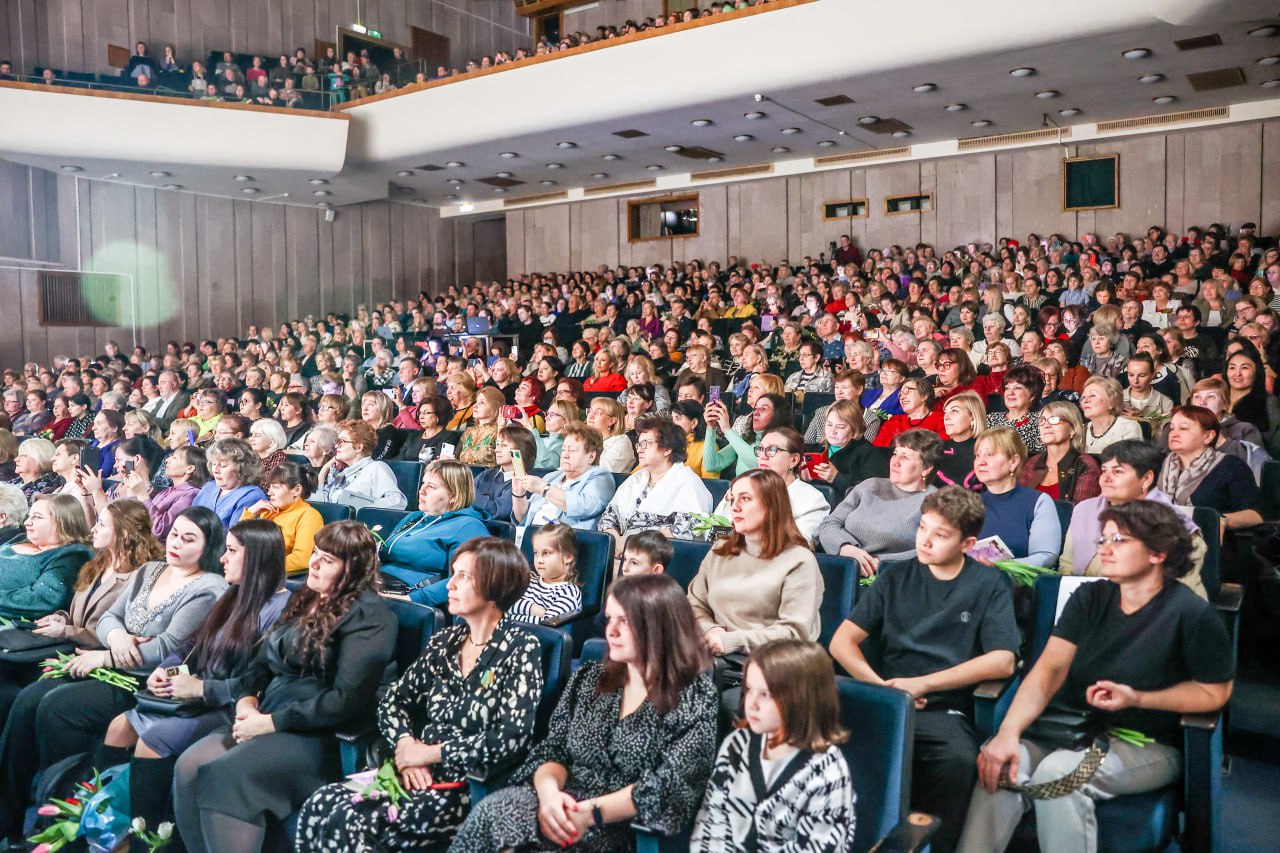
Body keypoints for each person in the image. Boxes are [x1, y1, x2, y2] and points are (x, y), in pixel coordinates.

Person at [960, 501, 1234, 853]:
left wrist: (1138, 698)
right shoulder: (1090, 596)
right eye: (1102, 540)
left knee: (1058, 772)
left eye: (1118, 540)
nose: (1103, 549)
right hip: (1068, 726)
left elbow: (1214, 693)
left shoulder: (1190, 614)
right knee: (997, 766)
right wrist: (1008, 732)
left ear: (1158, 552)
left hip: (1144, 741)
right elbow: (1048, 670)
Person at [296, 537, 543, 850]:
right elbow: (393, 701)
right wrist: (406, 747)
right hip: (412, 770)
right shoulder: (446, 641)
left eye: (463, 576)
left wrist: (430, 753)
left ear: (496, 586)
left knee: (355, 821)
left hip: (469, 785)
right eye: (452, 573)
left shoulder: (521, 648)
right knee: (321, 803)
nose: (450, 584)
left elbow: (511, 738)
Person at [0, 507, 226, 838]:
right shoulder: (151, 569)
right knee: (29, 698)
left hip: (143, 681)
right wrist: (118, 637)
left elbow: (164, 649)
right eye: (175, 533)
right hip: (110, 658)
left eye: (189, 538)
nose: (176, 543)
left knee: (57, 707)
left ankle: (65, 821)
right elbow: (109, 619)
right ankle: (9, 815)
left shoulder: (208, 587)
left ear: (208, 547)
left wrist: (106, 658)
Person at [450, 574, 717, 853]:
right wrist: (549, 795)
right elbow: (554, 749)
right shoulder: (590, 679)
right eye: (610, 620)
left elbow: (669, 787)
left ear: (659, 627)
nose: (610, 632)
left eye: (624, 622)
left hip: (623, 821)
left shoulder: (694, 696)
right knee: (492, 813)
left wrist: (590, 813)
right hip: (562, 800)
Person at [172, 522, 395, 853]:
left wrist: (270, 722)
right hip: (269, 715)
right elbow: (259, 664)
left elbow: (346, 700)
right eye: (315, 554)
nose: (314, 563)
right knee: (188, 767)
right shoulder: (306, 597)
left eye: (328, 560)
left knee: (224, 775)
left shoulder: (370, 615)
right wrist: (246, 704)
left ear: (353, 570)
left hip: (319, 734)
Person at [831, 486, 1018, 853]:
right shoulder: (895, 576)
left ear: (967, 543)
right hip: (886, 696)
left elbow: (1003, 659)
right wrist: (884, 689)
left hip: (944, 709)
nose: (926, 541)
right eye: (923, 529)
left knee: (957, 761)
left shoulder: (989, 583)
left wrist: (922, 684)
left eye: (941, 535)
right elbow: (842, 643)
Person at [99, 519, 290, 835]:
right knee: (118, 728)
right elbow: (193, 647)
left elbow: (258, 681)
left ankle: (145, 835)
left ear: (255, 558)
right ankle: (107, 825)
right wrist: (167, 670)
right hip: (198, 694)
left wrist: (202, 688)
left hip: (229, 707)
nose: (222, 558)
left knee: (151, 742)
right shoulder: (233, 595)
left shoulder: (281, 609)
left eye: (231, 551)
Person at [0, 499, 161, 725]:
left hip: (88, 654)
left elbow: (120, 632)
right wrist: (61, 617)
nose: (93, 528)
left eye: (102, 525)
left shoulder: (138, 578)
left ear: (124, 534)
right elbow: (75, 609)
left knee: (32, 699)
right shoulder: (99, 564)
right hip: (64, 643)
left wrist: (67, 630)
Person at [690, 639, 854, 852]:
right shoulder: (738, 743)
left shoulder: (827, 772)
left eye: (765, 694)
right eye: (749, 689)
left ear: (800, 699)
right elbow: (712, 821)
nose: (752, 703)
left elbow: (818, 847)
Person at [688, 468, 822, 655]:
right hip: (715, 657)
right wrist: (710, 629)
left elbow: (795, 632)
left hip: (773, 665)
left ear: (772, 505)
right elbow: (695, 604)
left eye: (745, 499)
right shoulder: (721, 549)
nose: (734, 507)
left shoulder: (799, 561)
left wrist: (730, 641)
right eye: (732, 499)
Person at [1060, 440, 1208, 599]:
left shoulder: (1173, 525)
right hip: (1087, 602)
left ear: (1146, 479)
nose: (1106, 478)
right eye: (1104, 470)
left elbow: (1180, 595)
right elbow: (1067, 565)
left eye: (1117, 472)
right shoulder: (1084, 510)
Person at [820, 429, 942, 576]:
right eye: (895, 454)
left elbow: (933, 548)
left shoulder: (935, 502)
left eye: (905, 457)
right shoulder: (869, 485)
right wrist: (845, 548)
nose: (895, 462)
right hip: (842, 566)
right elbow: (830, 523)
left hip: (890, 576)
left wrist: (878, 562)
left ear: (926, 468)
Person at [380, 459, 490, 602]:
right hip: (379, 584)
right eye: (423, 483)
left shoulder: (468, 527)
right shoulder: (415, 518)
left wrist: (412, 599)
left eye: (431, 486)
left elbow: (467, 578)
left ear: (453, 496)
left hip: (411, 599)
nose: (422, 490)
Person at [598, 416, 712, 545]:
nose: (640, 449)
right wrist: (615, 542)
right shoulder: (636, 478)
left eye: (646, 444)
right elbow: (608, 518)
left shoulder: (688, 483)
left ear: (667, 449)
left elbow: (687, 532)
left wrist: (630, 545)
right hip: (620, 552)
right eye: (639, 444)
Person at [710, 427, 828, 545]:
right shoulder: (742, 488)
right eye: (760, 449)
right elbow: (713, 528)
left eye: (772, 450)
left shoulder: (813, 500)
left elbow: (799, 545)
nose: (763, 456)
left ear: (794, 459)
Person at [1159, 405, 1262, 530]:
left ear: (1208, 436)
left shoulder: (1230, 466)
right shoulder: (1159, 463)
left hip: (1211, 541)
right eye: (1172, 428)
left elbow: (1256, 515)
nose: (1174, 434)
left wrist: (1217, 521)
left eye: (1183, 428)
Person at [972, 428, 1063, 567]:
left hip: (1018, 585)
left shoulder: (1038, 502)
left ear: (1013, 461)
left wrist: (1001, 567)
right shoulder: (970, 503)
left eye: (990, 454)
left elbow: (1045, 556)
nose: (981, 462)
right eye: (978, 455)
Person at [512, 421, 615, 539]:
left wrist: (544, 488)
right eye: (564, 449)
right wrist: (518, 494)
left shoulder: (601, 478)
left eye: (571, 450)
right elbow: (523, 518)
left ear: (591, 456)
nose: (565, 455)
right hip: (530, 537)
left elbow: (583, 506)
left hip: (563, 543)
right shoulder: (552, 477)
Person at [0, 493, 94, 620]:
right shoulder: (20, 538)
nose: (27, 522)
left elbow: (40, 601)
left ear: (63, 522)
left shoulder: (71, 556)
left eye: (37, 517)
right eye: (29, 516)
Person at [240, 461, 324, 575]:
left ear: (296, 490)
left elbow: (301, 560)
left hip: (275, 576)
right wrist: (250, 513)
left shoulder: (309, 516)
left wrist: (261, 566)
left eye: (276, 487)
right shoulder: (269, 511)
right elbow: (240, 541)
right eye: (270, 487)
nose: (269, 492)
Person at [314, 420, 407, 511]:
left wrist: (362, 511)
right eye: (337, 442)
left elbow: (397, 501)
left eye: (341, 442)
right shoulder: (339, 473)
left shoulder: (376, 468)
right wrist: (322, 474)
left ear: (359, 447)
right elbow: (322, 506)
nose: (336, 446)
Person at [1019, 403, 1101, 504]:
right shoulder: (1033, 462)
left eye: (1054, 420)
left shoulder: (1086, 466)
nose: (1046, 425)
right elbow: (1019, 504)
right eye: (1042, 420)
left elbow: (1079, 513)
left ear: (1072, 429)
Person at [807, 400, 889, 498]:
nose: (832, 431)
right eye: (829, 425)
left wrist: (837, 478)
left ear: (854, 430)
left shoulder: (869, 454)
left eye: (840, 427)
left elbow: (874, 493)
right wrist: (802, 477)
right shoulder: (816, 449)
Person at [508, 522, 583, 623]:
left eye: (546, 553)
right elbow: (498, 604)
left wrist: (509, 617)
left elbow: (546, 628)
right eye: (536, 553)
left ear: (568, 557)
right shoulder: (526, 579)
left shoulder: (568, 592)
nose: (539, 560)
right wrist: (531, 609)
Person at [703, 392, 790, 478]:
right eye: (755, 409)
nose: (755, 413)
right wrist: (711, 427)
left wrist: (727, 429)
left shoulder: (783, 441)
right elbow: (712, 465)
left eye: (763, 409)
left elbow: (757, 464)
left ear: (778, 414)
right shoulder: (745, 439)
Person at [194, 438, 268, 527]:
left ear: (242, 468)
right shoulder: (209, 487)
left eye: (223, 465)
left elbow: (235, 537)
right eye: (214, 464)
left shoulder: (251, 496)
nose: (216, 470)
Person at [136, 444, 207, 538]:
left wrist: (142, 495)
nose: (167, 460)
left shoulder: (190, 494)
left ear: (189, 469)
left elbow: (160, 529)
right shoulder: (169, 490)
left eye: (175, 458)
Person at [985, 364, 1044, 454]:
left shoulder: (1040, 421)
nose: (1010, 393)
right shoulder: (990, 419)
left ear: (1032, 395)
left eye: (1017, 388)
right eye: (1007, 388)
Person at [874, 378, 947, 447]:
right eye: (900, 394)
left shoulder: (942, 420)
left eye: (906, 391)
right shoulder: (894, 421)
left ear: (924, 396)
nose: (902, 397)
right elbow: (877, 449)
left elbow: (943, 451)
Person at [937, 391, 986, 491]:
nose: (946, 417)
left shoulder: (986, 450)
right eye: (945, 412)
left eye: (954, 411)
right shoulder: (936, 448)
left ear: (972, 417)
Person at [1080, 377, 1143, 454]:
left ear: (1112, 402)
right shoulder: (1081, 430)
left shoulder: (1128, 428)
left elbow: (1132, 463)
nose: (1085, 401)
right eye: (1083, 397)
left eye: (1092, 395)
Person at [397, 396, 460, 464]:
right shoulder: (413, 436)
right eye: (420, 413)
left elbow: (441, 464)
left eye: (426, 413)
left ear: (439, 415)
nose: (421, 417)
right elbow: (400, 459)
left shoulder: (449, 437)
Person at [585, 397, 635, 473]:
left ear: (611, 421)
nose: (590, 416)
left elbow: (602, 472)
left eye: (597, 413)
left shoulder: (621, 442)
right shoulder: (585, 439)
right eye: (590, 411)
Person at [458, 387, 504, 467]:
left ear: (494, 407)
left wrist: (501, 429)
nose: (475, 406)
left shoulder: (499, 431)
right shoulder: (469, 431)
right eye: (476, 402)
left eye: (482, 403)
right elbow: (456, 457)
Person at [8, 437, 63, 502]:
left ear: (40, 458)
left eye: (23, 456)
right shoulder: (14, 482)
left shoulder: (47, 487)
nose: (16, 459)